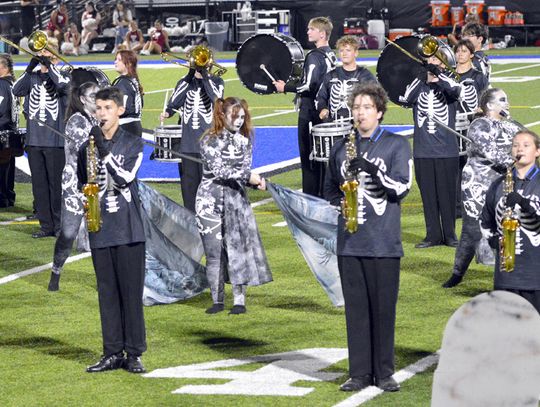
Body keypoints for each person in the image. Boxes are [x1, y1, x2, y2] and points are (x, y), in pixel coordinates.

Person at [324, 83, 413, 393]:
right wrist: (342, 205)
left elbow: (401, 188)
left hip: (384, 242)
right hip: (349, 242)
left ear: (379, 112)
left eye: (366, 107)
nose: (359, 113)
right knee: (357, 311)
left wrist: (373, 172)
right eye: (356, 107)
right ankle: (359, 373)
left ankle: (384, 372)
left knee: (383, 310)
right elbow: (329, 190)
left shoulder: (396, 145)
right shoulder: (341, 148)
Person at [78, 86, 147, 373]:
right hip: (101, 227)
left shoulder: (133, 143)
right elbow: (83, 181)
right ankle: (111, 352)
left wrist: (104, 150)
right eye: (98, 109)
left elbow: (123, 179)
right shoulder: (88, 145)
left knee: (130, 294)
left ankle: (133, 354)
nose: (102, 114)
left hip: (129, 229)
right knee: (106, 293)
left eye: (107, 108)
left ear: (119, 110)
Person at [195, 97, 272, 315]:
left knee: (239, 252)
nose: (239, 121)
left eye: (242, 117)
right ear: (222, 115)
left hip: (236, 201)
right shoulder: (208, 141)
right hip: (209, 202)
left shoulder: (245, 142)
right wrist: (251, 177)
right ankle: (217, 301)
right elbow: (221, 171)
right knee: (213, 254)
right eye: (234, 116)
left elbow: (241, 173)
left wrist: (255, 182)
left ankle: (239, 302)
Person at [443, 88, 520, 288]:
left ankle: (507, 275)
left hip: (504, 184)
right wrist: (519, 160)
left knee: (508, 229)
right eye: (502, 100)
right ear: (490, 105)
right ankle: (457, 273)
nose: (507, 103)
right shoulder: (479, 125)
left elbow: (529, 145)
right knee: (472, 231)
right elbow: (493, 154)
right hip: (478, 185)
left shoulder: (512, 126)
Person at [400, 49, 461, 248]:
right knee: (428, 195)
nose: (432, 61)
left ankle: (450, 235)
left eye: (437, 59)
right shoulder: (419, 85)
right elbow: (406, 99)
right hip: (423, 150)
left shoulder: (450, 81)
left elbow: (455, 92)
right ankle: (432, 235)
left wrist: (439, 75)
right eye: (430, 59)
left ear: (443, 62)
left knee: (447, 194)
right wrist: (423, 77)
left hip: (447, 150)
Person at [13, 38, 70, 238]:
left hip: (55, 141)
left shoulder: (63, 76)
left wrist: (50, 69)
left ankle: (60, 226)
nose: (43, 56)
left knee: (56, 186)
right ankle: (46, 226)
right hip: (34, 141)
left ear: (54, 57)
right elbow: (16, 90)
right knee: (39, 186)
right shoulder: (32, 78)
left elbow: (64, 88)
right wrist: (29, 69)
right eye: (41, 53)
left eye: (47, 53)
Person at [274, 17, 337, 197]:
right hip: (324, 112)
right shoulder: (330, 54)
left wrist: (284, 87)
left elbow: (307, 86)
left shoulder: (315, 56)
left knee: (309, 160)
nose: (308, 32)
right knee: (321, 159)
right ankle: (322, 196)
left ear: (322, 33)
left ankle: (311, 199)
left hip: (310, 113)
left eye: (312, 29)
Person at [480, 129, 540, 314]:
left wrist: (523, 203)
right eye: (515, 145)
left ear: (537, 151)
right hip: (506, 276)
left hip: (535, 276)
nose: (519, 149)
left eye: (525, 145)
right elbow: (485, 220)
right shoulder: (498, 184)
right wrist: (491, 239)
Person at [47, 82, 99, 292]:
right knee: (68, 233)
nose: (98, 97)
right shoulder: (77, 120)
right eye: (93, 95)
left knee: (98, 232)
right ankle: (56, 272)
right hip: (76, 185)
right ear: (83, 99)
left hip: (96, 183)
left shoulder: (100, 118)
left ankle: (103, 279)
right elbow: (83, 152)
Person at [160, 64, 224, 212]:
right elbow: (174, 102)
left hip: (208, 145)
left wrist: (205, 77)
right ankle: (190, 225)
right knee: (189, 191)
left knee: (208, 189)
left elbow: (216, 100)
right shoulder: (185, 82)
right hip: (187, 144)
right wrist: (190, 76)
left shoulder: (217, 81)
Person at [453, 38, 489, 216]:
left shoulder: (478, 77)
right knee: (453, 165)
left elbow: (485, 100)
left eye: (464, 51)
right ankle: (455, 204)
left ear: (471, 55)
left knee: (470, 163)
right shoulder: (449, 76)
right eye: (458, 51)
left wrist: (480, 110)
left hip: (471, 125)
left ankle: (471, 199)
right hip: (452, 125)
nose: (460, 54)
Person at [317, 35, 376, 123]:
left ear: (356, 53)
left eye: (348, 50)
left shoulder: (365, 75)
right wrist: (323, 109)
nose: (344, 53)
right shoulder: (331, 75)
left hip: (358, 124)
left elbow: (376, 97)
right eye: (341, 50)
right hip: (334, 123)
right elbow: (321, 96)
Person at [0, 54, 19, 208]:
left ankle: (3, 199)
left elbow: (1, 108)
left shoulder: (1, 84)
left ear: (3, 67)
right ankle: (7, 197)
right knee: (8, 168)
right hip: (11, 132)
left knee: (2, 169)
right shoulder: (13, 83)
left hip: (2, 131)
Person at [112, 50, 143, 137]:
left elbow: (123, 108)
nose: (115, 62)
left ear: (128, 63)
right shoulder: (133, 80)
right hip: (135, 126)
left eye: (119, 60)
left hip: (126, 127)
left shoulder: (124, 83)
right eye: (115, 59)